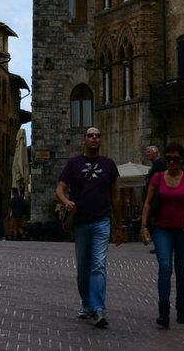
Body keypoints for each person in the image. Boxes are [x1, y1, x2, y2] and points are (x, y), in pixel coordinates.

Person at [56, 125, 122, 328]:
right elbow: (60, 189)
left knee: (99, 265)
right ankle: (86, 303)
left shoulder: (109, 165)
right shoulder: (73, 164)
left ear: (101, 140)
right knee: (83, 268)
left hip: (102, 222)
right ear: (83, 140)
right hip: (80, 223)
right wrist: (67, 202)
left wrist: (119, 226)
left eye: (98, 135)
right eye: (90, 135)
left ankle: (98, 308)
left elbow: (115, 196)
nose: (94, 138)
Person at [140, 141, 184, 328]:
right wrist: (143, 226)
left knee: (181, 269)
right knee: (165, 267)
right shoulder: (157, 178)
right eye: (169, 158)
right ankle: (163, 312)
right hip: (162, 228)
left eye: (176, 159)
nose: (172, 162)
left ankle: (181, 309)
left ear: (182, 160)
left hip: (183, 229)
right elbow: (148, 203)